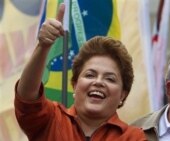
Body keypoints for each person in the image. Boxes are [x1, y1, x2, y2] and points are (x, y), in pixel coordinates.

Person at [14, 3, 146, 141]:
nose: (98, 82)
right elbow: (26, 98)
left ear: (123, 95)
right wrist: (43, 46)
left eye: (110, 79)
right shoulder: (50, 120)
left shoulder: (134, 138)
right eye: (90, 75)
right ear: (75, 85)